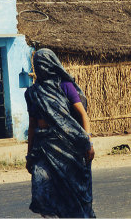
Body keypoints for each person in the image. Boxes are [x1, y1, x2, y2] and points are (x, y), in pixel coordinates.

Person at [24, 48, 96, 218]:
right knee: (42, 191)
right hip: (43, 148)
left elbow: (82, 115)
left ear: (51, 64)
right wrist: (29, 156)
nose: (41, 67)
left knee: (73, 192)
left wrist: (88, 142)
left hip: (68, 146)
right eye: (37, 64)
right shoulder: (32, 93)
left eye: (43, 63)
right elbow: (32, 126)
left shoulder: (65, 86)